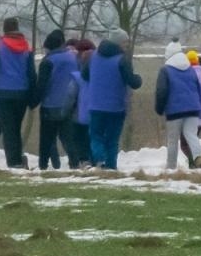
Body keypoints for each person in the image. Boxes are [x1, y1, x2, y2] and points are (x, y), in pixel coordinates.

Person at [0, 17, 38, 169]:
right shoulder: (27, 48)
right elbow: (31, 74)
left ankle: (14, 163)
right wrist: (32, 96)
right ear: (17, 28)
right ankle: (18, 159)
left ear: (4, 29)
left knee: (8, 129)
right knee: (16, 127)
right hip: (22, 93)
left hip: (3, 93)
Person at [82, 32, 142, 170]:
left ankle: (100, 160)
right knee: (112, 139)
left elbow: (85, 75)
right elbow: (133, 82)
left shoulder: (93, 57)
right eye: (125, 43)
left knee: (95, 136)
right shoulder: (122, 60)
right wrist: (138, 78)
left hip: (96, 105)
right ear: (118, 43)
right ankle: (110, 167)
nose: (127, 46)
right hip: (116, 106)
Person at [155, 43, 201, 171]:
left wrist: (159, 108)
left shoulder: (165, 70)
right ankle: (199, 158)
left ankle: (171, 167)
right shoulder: (190, 68)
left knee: (173, 139)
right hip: (193, 108)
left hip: (174, 110)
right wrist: (198, 103)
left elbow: (161, 91)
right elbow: (199, 87)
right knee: (191, 135)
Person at [34, 29, 79, 170]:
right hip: (69, 104)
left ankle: (43, 166)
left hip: (50, 105)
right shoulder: (72, 58)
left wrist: (33, 102)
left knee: (46, 139)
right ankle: (75, 164)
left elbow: (41, 85)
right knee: (69, 138)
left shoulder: (48, 61)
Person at [69, 38, 95, 169]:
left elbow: (71, 94)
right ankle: (94, 159)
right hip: (97, 109)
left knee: (79, 137)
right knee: (93, 136)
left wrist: (66, 109)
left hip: (79, 111)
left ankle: (83, 160)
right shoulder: (99, 69)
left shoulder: (77, 75)